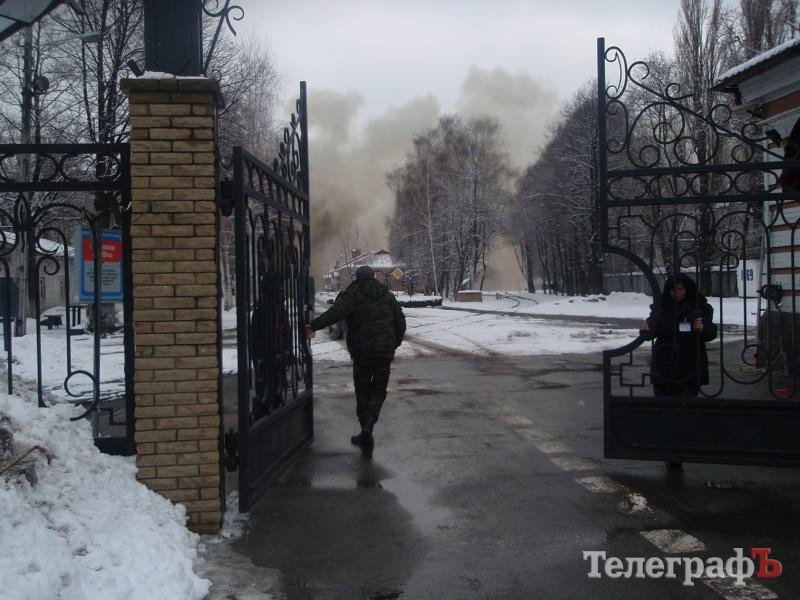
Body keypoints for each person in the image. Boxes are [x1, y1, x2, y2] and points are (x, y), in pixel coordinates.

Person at [305, 265, 406, 452]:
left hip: (362, 353)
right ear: (373, 277)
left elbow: (335, 313)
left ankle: (365, 428)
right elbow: (400, 321)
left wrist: (313, 326)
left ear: (358, 278)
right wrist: (393, 344)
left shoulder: (353, 294)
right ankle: (370, 423)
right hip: (384, 353)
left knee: (363, 390)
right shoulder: (387, 295)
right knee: (379, 390)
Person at [640, 273, 718, 398]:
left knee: (685, 409)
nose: (675, 292)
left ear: (687, 289)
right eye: (672, 289)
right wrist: (645, 330)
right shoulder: (661, 307)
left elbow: (711, 332)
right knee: (662, 408)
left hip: (689, 364)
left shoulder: (700, 308)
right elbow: (651, 332)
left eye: (679, 289)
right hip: (664, 362)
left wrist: (703, 329)